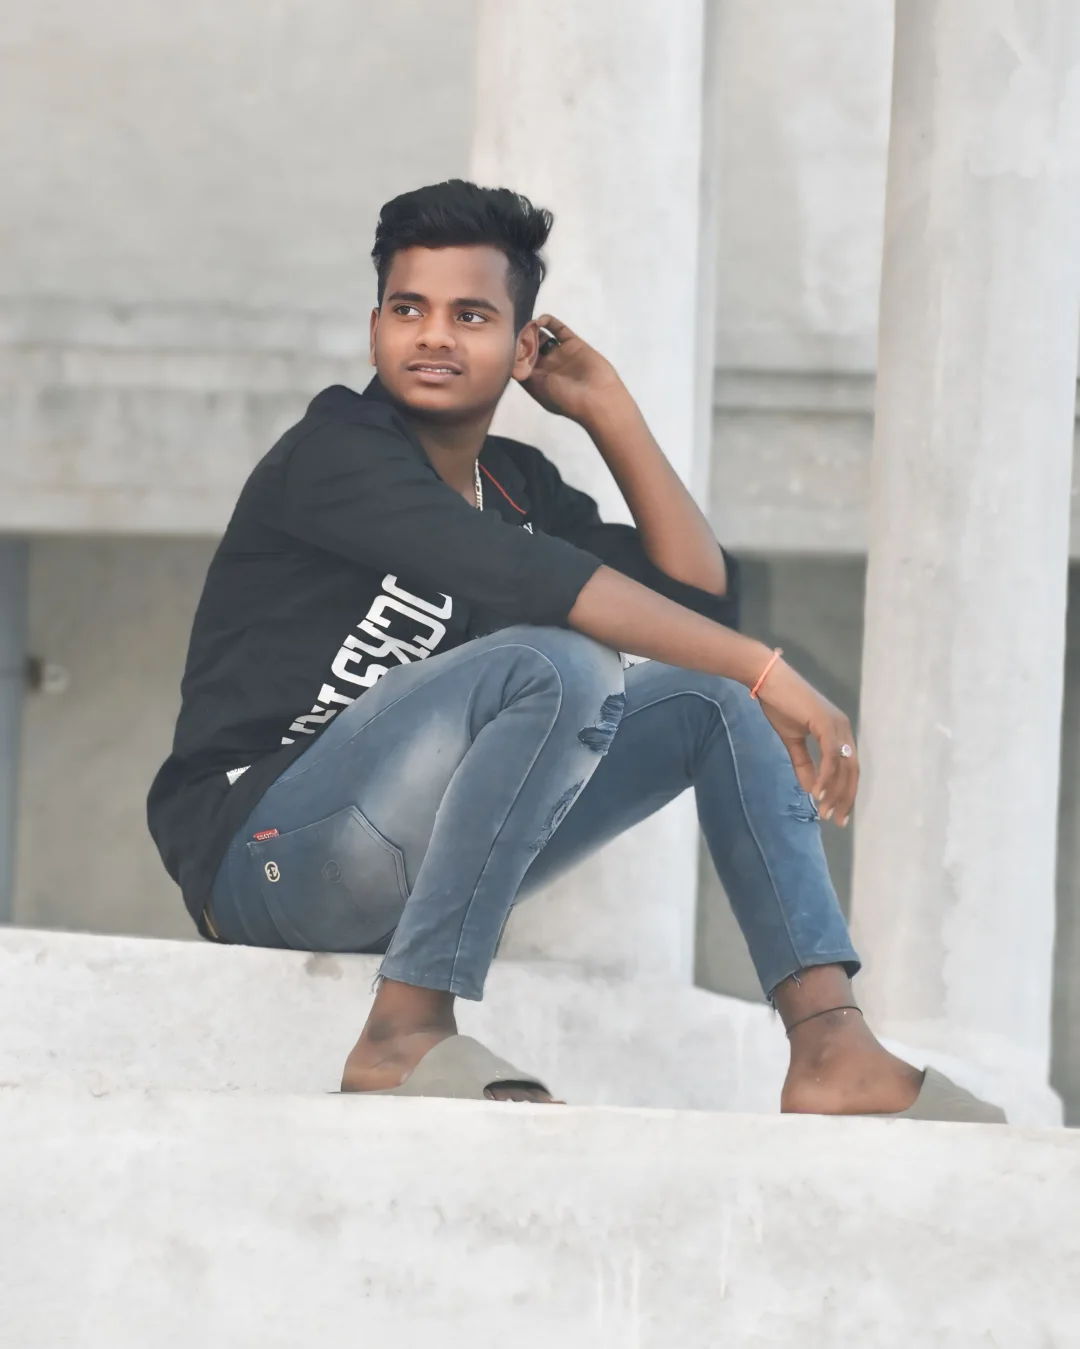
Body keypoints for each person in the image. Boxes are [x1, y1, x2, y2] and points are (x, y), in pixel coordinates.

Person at [148, 180, 1002, 1121]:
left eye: (470, 315)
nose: (433, 335)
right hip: (264, 851)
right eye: (408, 309)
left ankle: (831, 1043)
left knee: (709, 697)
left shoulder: (514, 482)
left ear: (523, 349)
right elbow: (540, 585)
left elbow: (694, 600)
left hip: (405, 861)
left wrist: (609, 412)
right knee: (562, 662)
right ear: (376, 329)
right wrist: (763, 664)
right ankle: (403, 1030)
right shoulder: (337, 453)